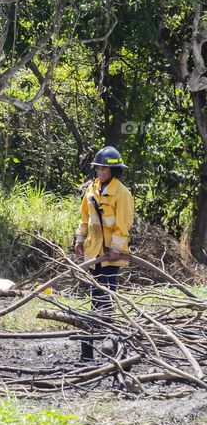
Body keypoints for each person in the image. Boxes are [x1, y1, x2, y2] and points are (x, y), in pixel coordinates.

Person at [74, 146, 134, 360]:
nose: (99, 172)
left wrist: (116, 250)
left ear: (114, 171)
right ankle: (92, 343)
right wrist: (80, 239)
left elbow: (122, 226)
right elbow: (85, 219)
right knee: (95, 296)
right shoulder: (91, 189)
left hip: (111, 256)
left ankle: (109, 340)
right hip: (93, 252)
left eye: (103, 169)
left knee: (106, 294)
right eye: (97, 168)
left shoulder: (122, 194)